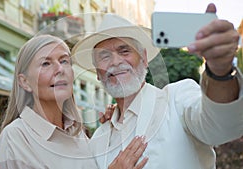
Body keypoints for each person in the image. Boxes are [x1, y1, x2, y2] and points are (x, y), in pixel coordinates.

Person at [71, 3, 243, 169]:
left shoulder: (177, 99)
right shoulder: (98, 141)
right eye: (104, 56)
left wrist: (220, 71)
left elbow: (222, 127)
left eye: (125, 51)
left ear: (144, 58)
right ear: (98, 72)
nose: (115, 62)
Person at [0, 34, 148, 169]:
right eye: (46, 63)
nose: (60, 69)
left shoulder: (77, 133)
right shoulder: (15, 137)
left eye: (64, 61)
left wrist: (116, 122)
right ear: (25, 82)